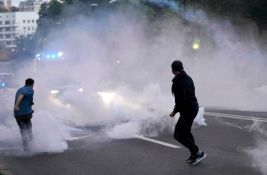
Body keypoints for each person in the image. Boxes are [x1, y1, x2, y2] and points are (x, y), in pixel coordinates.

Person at [169, 60, 206, 165]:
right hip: (193, 108)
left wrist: (174, 112)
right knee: (186, 132)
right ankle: (194, 154)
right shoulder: (188, 78)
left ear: (173, 70)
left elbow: (181, 100)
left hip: (187, 110)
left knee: (178, 135)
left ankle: (198, 152)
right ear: (182, 68)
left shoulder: (178, 81)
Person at [14, 78, 34, 151]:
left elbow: (28, 101)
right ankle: (31, 145)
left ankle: (26, 147)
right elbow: (22, 95)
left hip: (18, 114)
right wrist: (17, 105)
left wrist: (31, 108)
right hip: (24, 113)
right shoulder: (30, 90)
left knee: (23, 130)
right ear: (32, 84)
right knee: (28, 129)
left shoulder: (19, 89)